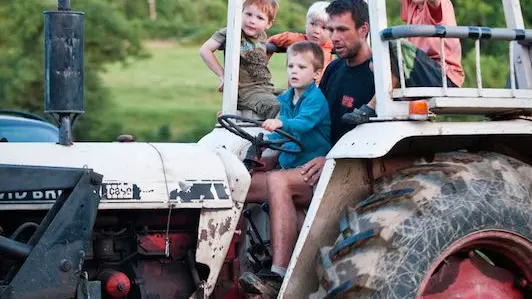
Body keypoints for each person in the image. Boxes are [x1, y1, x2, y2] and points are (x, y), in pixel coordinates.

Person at [238, 41, 331, 297]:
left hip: (312, 174)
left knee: (278, 180)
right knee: (238, 184)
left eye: (301, 67)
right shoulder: (286, 98)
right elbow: (276, 137)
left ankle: (278, 273)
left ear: (316, 73)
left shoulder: (316, 100)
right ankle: (233, 266)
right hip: (290, 168)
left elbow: (302, 124)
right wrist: (261, 145)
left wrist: (280, 123)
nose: (294, 71)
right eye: (291, 65)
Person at [341, 0, 464, 125]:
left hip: (443, 77)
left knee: (397, 46)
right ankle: (383, 99)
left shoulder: (439, 4)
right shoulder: (412, 5)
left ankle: (372, 106)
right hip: (419, 73)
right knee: (377, 59)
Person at [199, 0, 281, 119]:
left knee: (297, 98)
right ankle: (278, 132)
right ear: (240, 13)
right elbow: (205, 50)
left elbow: (257, 61)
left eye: (260, 18)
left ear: (269, 23)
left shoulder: (262, 36)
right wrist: (223, 76)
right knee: (276, 106)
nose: (252, 20)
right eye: (248, 14)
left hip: (266, 88)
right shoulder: (232, 31)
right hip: (246, 92)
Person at [266, 1, 333, 85]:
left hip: (319, 94)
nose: (316, 31)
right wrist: (263, 64)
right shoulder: (295, 39)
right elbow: (270, 41)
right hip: (296, 94)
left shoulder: (331, 44)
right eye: (312, 24)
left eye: (323, 27)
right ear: (306, 23)